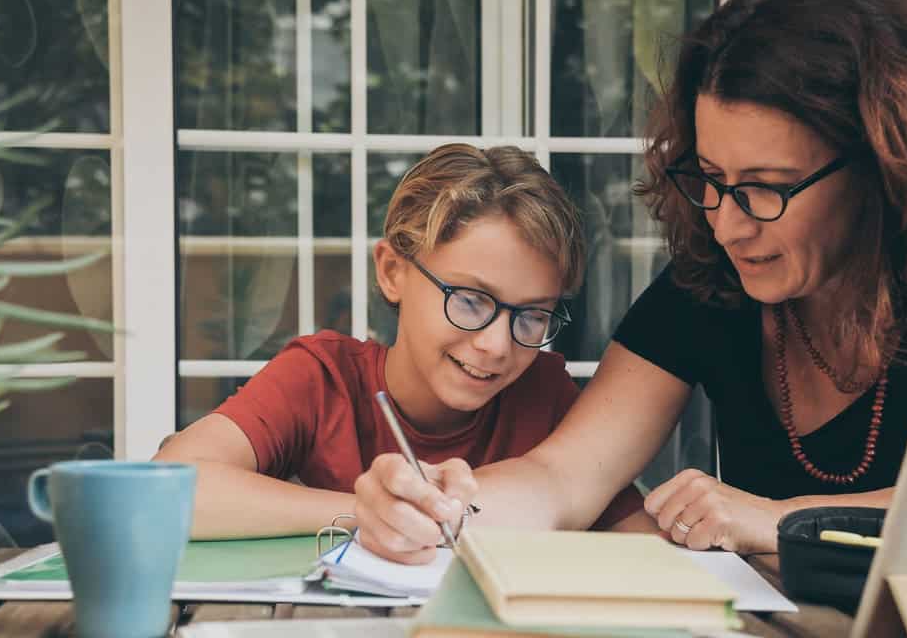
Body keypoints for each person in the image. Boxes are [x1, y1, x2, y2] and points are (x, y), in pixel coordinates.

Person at [351, 0, 907, 563]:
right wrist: (446, 508)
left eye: (765, 187)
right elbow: (562, 476)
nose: (727, 223)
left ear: (879, 170)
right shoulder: (709, 282)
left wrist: (778, 518)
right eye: (710, 179)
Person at [154, 143, 650, 539]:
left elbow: (640, 543)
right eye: (472, 300)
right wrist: (369, 512)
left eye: (533, 315)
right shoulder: (322, 379)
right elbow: (165, 491)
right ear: (393, 272)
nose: (497, 346)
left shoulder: (545, 396)